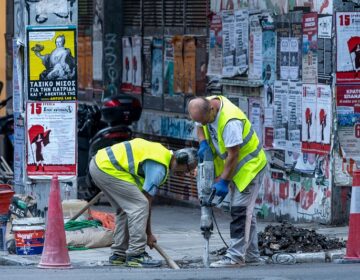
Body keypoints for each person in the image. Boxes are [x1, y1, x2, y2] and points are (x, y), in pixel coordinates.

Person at [89, 138, 197, 268]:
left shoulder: (161, 155)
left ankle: (119, 254)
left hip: (99, 165)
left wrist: (147, 233)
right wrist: (149, 234)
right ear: (180, 159)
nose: (184, 174)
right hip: (106, 167)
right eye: (187, 169)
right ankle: (136, 255)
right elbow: (145, 203)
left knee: (126, 209)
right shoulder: (159, 168)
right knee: (139, 206)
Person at [188, 96, 267, 268]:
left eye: (204, 120)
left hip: (249, 167)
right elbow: (199, 126)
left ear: (212, 110)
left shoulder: (230, 121)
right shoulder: (204, 105)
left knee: (240, 210)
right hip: (233, 166)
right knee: (246, 212)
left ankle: (236, 257)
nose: (203, 124)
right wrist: (203, 143)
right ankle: (252, 254)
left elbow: (233, 156)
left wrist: (223, 181)